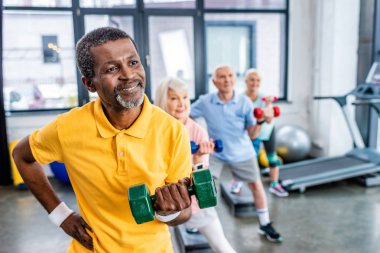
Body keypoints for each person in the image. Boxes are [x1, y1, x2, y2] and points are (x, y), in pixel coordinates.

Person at [12, 27, 194, 253]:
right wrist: (60, 216)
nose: (128, 75)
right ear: (89, 83)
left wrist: (170, 211)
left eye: (133, 63)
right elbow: (21, 155)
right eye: (112, 68)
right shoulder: (68, 128)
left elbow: (184, 212)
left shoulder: (172, 131)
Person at [190, 65, 283, 243]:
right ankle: (199, 221)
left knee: (256, 186)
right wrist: (198, 136)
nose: (227, 80)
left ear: (235, 79)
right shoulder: (205, 101)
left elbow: (253, 134)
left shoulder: (244, 102)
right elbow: (187, 116)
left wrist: (261, 120)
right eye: (222, 77)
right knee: (204, 186)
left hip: (242, 152)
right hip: (216, 152)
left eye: (230, 76)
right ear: (214, 82)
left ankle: (264, 223)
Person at [155, 77, 236, 253]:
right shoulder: (156, 130)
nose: (181, 104)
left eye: (184, 97)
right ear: (163, 100)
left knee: (221, 245)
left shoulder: (198, 131)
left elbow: (201, 179)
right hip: (162, 202)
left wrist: (198, 158)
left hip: (193, 202)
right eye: (174, 98)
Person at [244, 68, 289, 197]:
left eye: (258, 80)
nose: (255, 83)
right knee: (247, 159)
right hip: (252, 132)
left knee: (272, 158)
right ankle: (238, 181)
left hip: (267, 130)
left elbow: (269, 120)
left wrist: (268, 108)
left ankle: (274, 185)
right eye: (252, 79)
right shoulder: (241, 98)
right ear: (246, 81)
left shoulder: (265, 98)